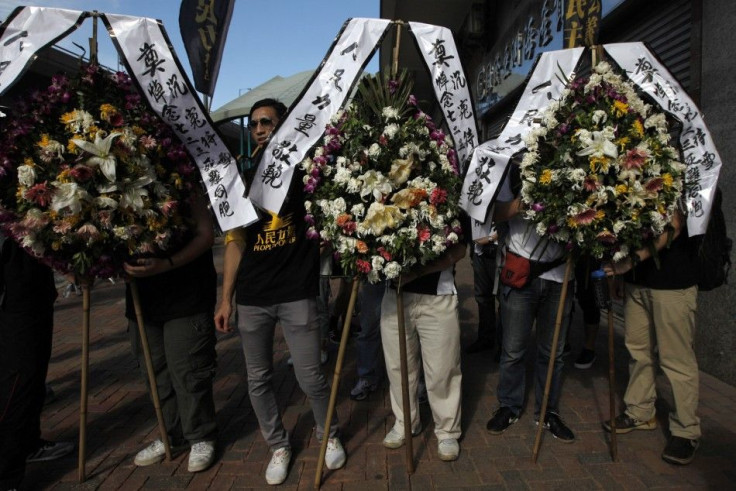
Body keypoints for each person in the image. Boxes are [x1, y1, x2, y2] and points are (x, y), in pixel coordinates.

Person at [214, 98, 345, 486]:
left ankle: (329, 433)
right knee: (258, 379)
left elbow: (328, 215)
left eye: (267, 122)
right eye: (254, 124)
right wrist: (226, 298)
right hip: (253, 297)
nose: (259, 129)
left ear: (284, 124)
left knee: (311, 377)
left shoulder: (307, 171)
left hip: (296, 292)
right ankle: (278, 445)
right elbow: (234, 241)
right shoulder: (240, 176)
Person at [125, 190, 218, 473]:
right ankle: (171, 435)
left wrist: (166, 263)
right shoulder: (122, 180)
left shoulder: (183, 176)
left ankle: (200, 435)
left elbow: (205, 234)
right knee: (155, 373)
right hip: (143, 297)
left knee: (188, 369)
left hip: (186, 293)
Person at [602, 207, 701, 465]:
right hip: (638, 280)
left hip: (673, 282)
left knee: (676, 359)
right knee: (637, 350)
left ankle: (686, 430)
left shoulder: (689, 175)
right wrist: (622, 273)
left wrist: (629, 262)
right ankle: (640, 410)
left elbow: (674, 226)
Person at [486, 164, 576, 443]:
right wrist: (521, 204)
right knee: (513, 349)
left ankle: (548, 411)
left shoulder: (573, 165)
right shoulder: (513, 169)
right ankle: (509, 406)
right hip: (521, 273)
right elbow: (493, 212)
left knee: (553, 353)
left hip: (561, 275)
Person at [380, 240, 467, 462]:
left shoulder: (452, 204)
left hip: (438, 295)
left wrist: (417, 272)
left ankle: (447, 430)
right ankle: (405, 422)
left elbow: (459, 249)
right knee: (398, 366)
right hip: (396, 293)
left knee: (442, 368)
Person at [0, 238, 74, 491]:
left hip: (31, 278)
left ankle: (27, 444)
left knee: (34, 371)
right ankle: (5, 474)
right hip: (10, 287)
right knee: (18, 377)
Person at [349, 280, 386, 401]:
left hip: (407, 275)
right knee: (368, 329)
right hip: (375, 278)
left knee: (410, 328)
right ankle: (367, 377)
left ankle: (419, 380)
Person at [466, 225, 499, 354]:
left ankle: (504, 346)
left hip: (500, 248)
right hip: (479, 249)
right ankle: (486, 338)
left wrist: (491, 237)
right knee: (482, 296)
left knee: (504, 298)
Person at [571, 257, 602, 369]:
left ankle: (589, 347)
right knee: (563, 295)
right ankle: (562, 341)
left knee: (589, 297)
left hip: (592, 256)